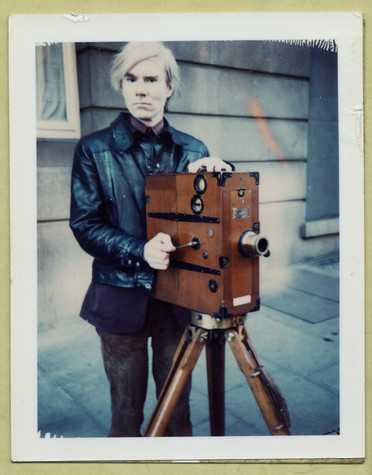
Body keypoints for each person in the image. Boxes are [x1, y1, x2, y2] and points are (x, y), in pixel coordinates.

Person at [70, 41, 231, 437]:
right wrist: (138, 250)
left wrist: (222, 178)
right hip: (119, 297)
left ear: (169, 87)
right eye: (131, 78)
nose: (142, 89)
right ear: (121, 87)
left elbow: (212, 227)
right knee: (126, 415)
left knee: (176, 412)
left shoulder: (193, 148)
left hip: (177, 299)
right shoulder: (93, 148)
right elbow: (85, 224)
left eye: (151, 78)